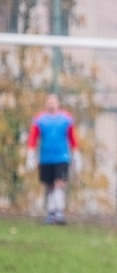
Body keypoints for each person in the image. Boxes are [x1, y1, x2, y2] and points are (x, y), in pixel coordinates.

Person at [26, 93, 82, 225]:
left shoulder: (66, 119)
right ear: (46, 104)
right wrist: (30, 155)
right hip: (46, 158)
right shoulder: (40, 119)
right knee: (49, 185)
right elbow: (33, 138)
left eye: (54, 101)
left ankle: (59, 213)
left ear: (58, 103)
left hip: (62, 157)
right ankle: (51, 213)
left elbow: (72, 138)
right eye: (49, 102)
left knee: (59, 183)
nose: (51, 104)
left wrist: (77, 156)